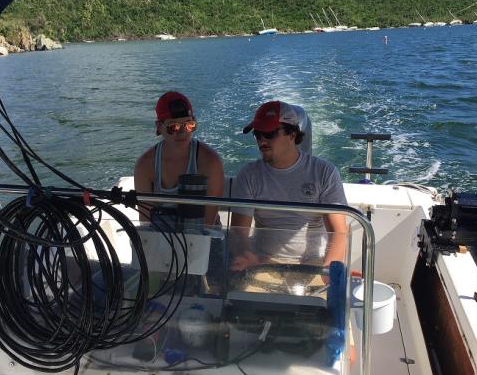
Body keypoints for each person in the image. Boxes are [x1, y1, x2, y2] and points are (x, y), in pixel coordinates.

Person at [230, 100, 348, 271]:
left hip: (314, 263)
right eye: (258, 134)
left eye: (269, 133)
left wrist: (328, 270)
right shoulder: (248, 175)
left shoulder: (324, 172)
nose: (262, 140)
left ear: (292, 135)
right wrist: (247, 256)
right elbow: (239, 231)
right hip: (263, 261)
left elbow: (339, 232)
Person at [134, 91, 223, 225]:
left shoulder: (211, 162)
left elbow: (207, 225)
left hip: (203, 237)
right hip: (161, 235)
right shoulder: (145, 166)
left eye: (189, 125)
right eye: (173, 127)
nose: (182, 132)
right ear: (159, 127)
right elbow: (146, 223)